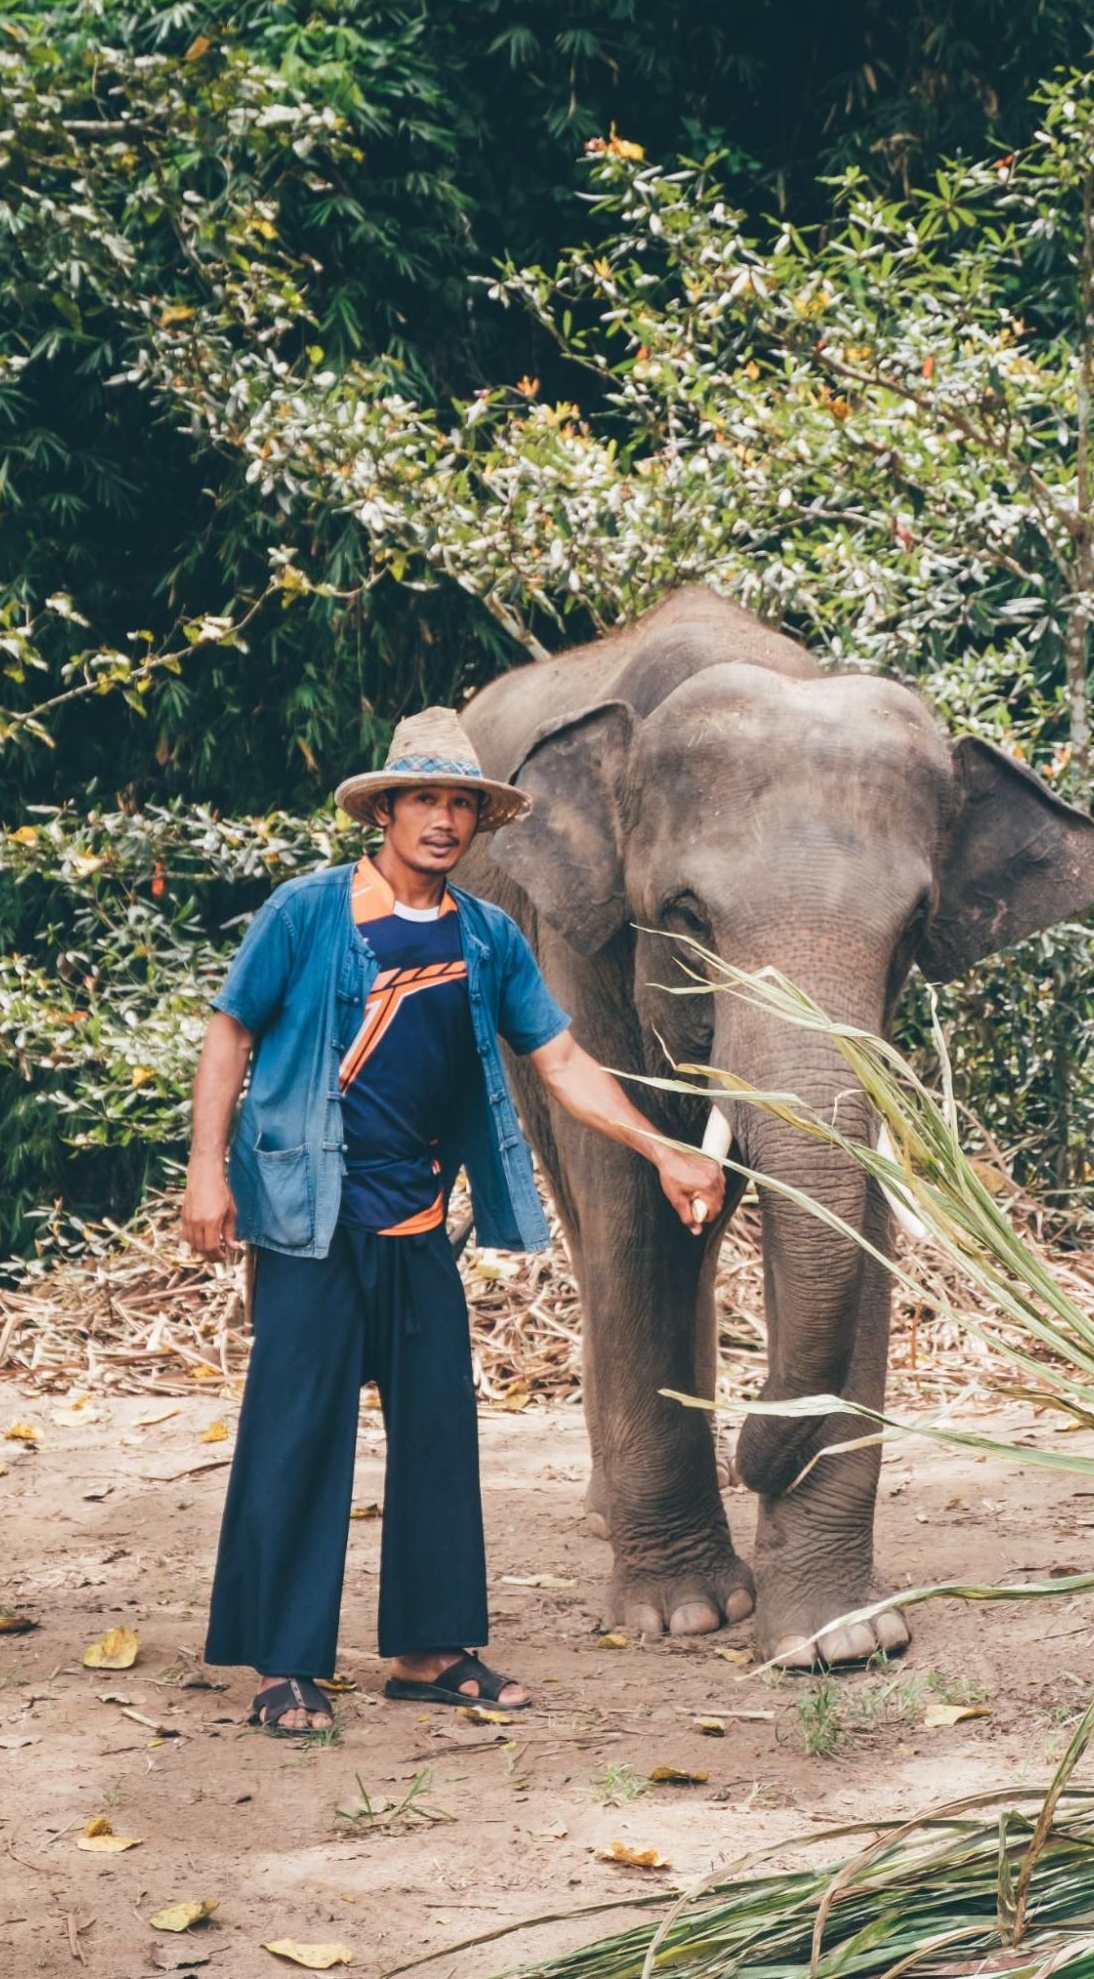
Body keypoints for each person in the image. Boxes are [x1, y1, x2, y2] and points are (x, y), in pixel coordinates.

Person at [181, 707, 723, 1736]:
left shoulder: (487, 936)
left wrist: (665, 1148)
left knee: (437, 1437)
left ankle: (429, 1651)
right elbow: (229, 1031)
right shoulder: (307, 913)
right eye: (424, 798)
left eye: (460, 803)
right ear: (384, 807)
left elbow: (561, 1062)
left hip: (420, 1221)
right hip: (310, 1220)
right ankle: (283, 1664)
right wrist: (208, 1172)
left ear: (479, 820)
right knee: (297, 1437)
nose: (442, 819)